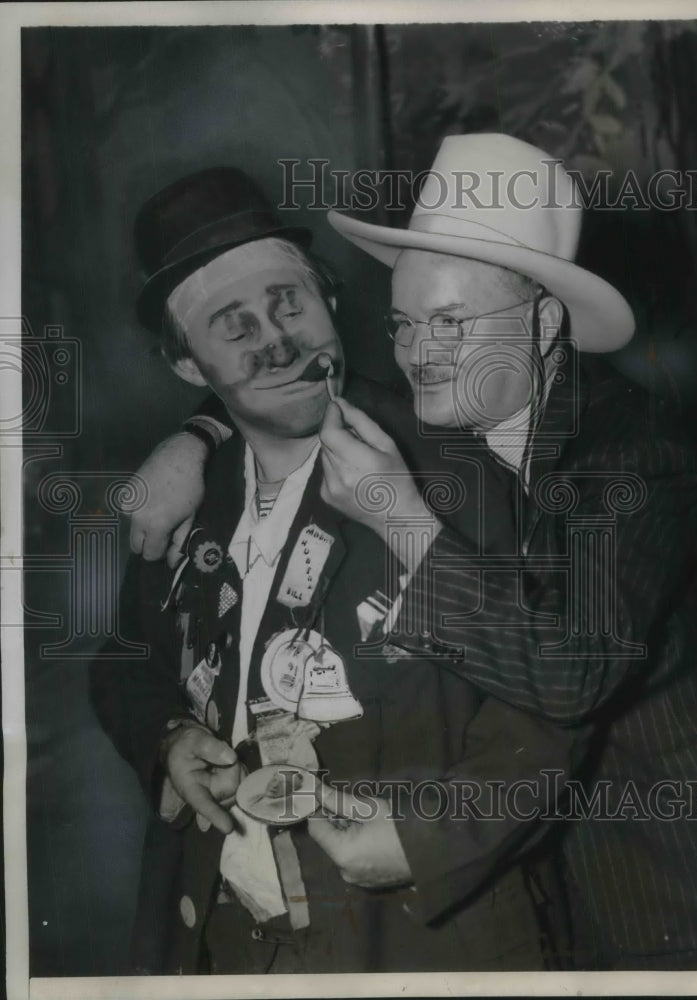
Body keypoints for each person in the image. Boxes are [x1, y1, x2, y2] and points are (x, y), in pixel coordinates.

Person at [130, 136, 697, 971]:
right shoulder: (461, 410)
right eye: (402, 322)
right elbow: (298, 384)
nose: (416, 354)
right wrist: (198, 436)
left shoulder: (634, 454)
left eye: (452, 323)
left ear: (546, 325)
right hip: (558, 886)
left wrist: (398, 516)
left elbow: (569, 669)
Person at [90, 166, 577, 976]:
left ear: (333, 304)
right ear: (187, 369)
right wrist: (166, 737)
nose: (277, 340)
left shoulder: (455, 471)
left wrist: (430, 840)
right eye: (232, 325)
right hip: (223, 944)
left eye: (290, 302)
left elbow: (553, 708)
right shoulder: (181, 498)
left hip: (412, 945)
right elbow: (124, 659)